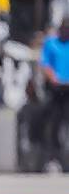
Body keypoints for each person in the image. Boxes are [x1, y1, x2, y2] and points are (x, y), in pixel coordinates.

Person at [37, 21, 69, 171]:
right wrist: (53, 78)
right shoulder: (51, 43)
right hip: (56, 89)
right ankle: (53, 158)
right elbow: (45, 64)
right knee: (53, 124)